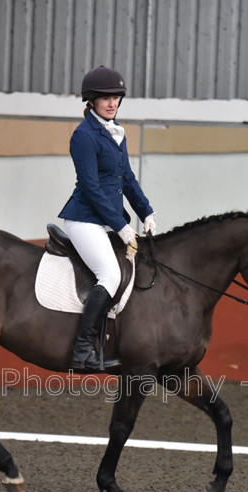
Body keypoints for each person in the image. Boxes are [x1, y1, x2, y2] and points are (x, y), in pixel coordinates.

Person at [58, 65, 157, 371]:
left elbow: (126, 177)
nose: (112, 102)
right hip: (84, 219)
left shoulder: (116, 132)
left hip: (108, 219)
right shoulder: (84, 136)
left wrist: (146, 211)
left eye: (116, 97)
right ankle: (83, 349)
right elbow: (91, 187)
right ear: (92, 101)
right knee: (110, 276)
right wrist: (122, 226)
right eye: (105, 98)